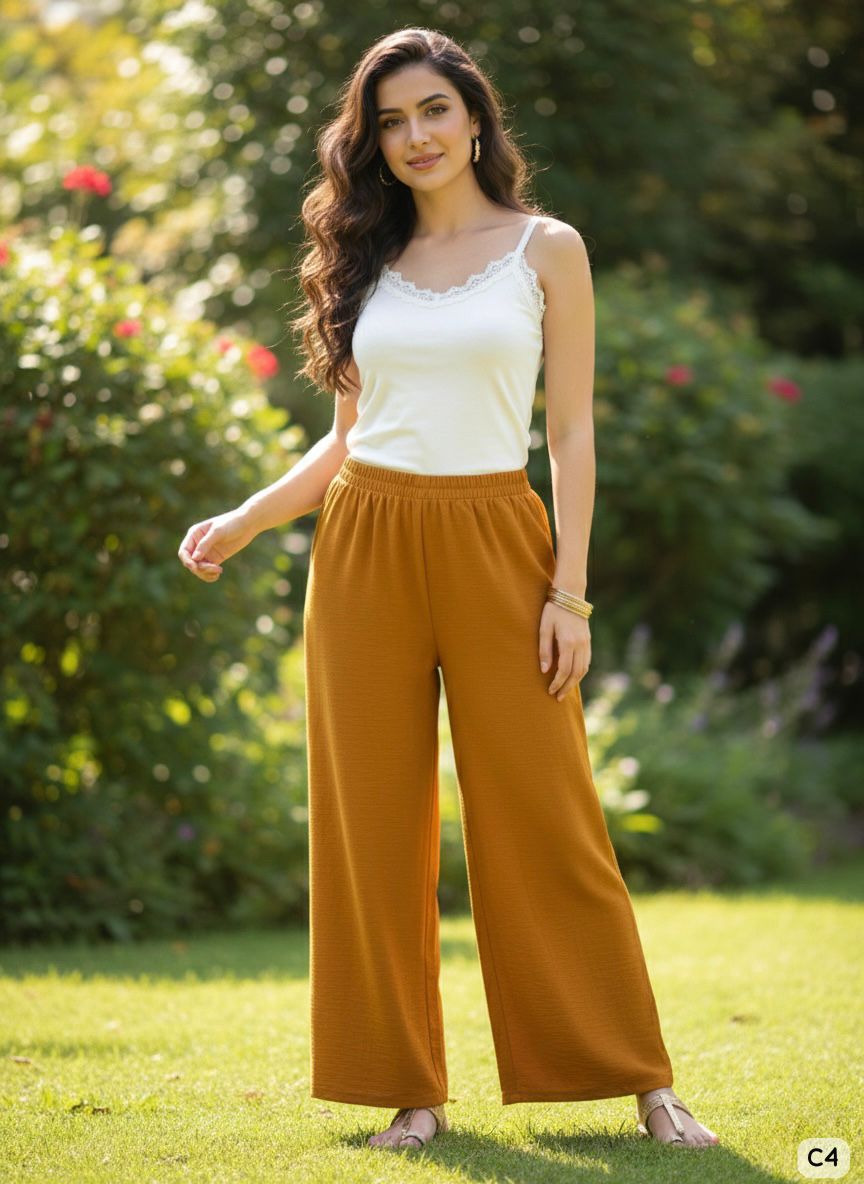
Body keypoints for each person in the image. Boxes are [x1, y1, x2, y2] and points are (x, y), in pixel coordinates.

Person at [178, 26, 720, 1155]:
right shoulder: (364, 259)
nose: (414, 136)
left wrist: (567, 595)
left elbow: (569, 433)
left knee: (550, 816)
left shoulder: (545, 248)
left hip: (497, 537)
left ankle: (641, 1076)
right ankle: (407, 1089)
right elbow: (345, 441)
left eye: (432, 109)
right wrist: (241, 520)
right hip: (366, 542)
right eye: (389, 120)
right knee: (369, 826)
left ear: (475, 115)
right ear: (369, 141)